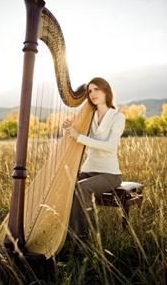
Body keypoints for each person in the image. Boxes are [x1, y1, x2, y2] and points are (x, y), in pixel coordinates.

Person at [63, 77, 125, 242]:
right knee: (66, 183)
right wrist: (70, 128)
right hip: (89, 169)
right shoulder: (88, 117)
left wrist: (79, 136)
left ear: (106, 91)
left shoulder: (117, 117)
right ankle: (63, 233)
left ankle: (82, 237)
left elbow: (110, 146)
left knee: (81, 188)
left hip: (110, 174)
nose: (92, 94)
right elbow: (75, 138)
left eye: (96, 89)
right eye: (90, 91)